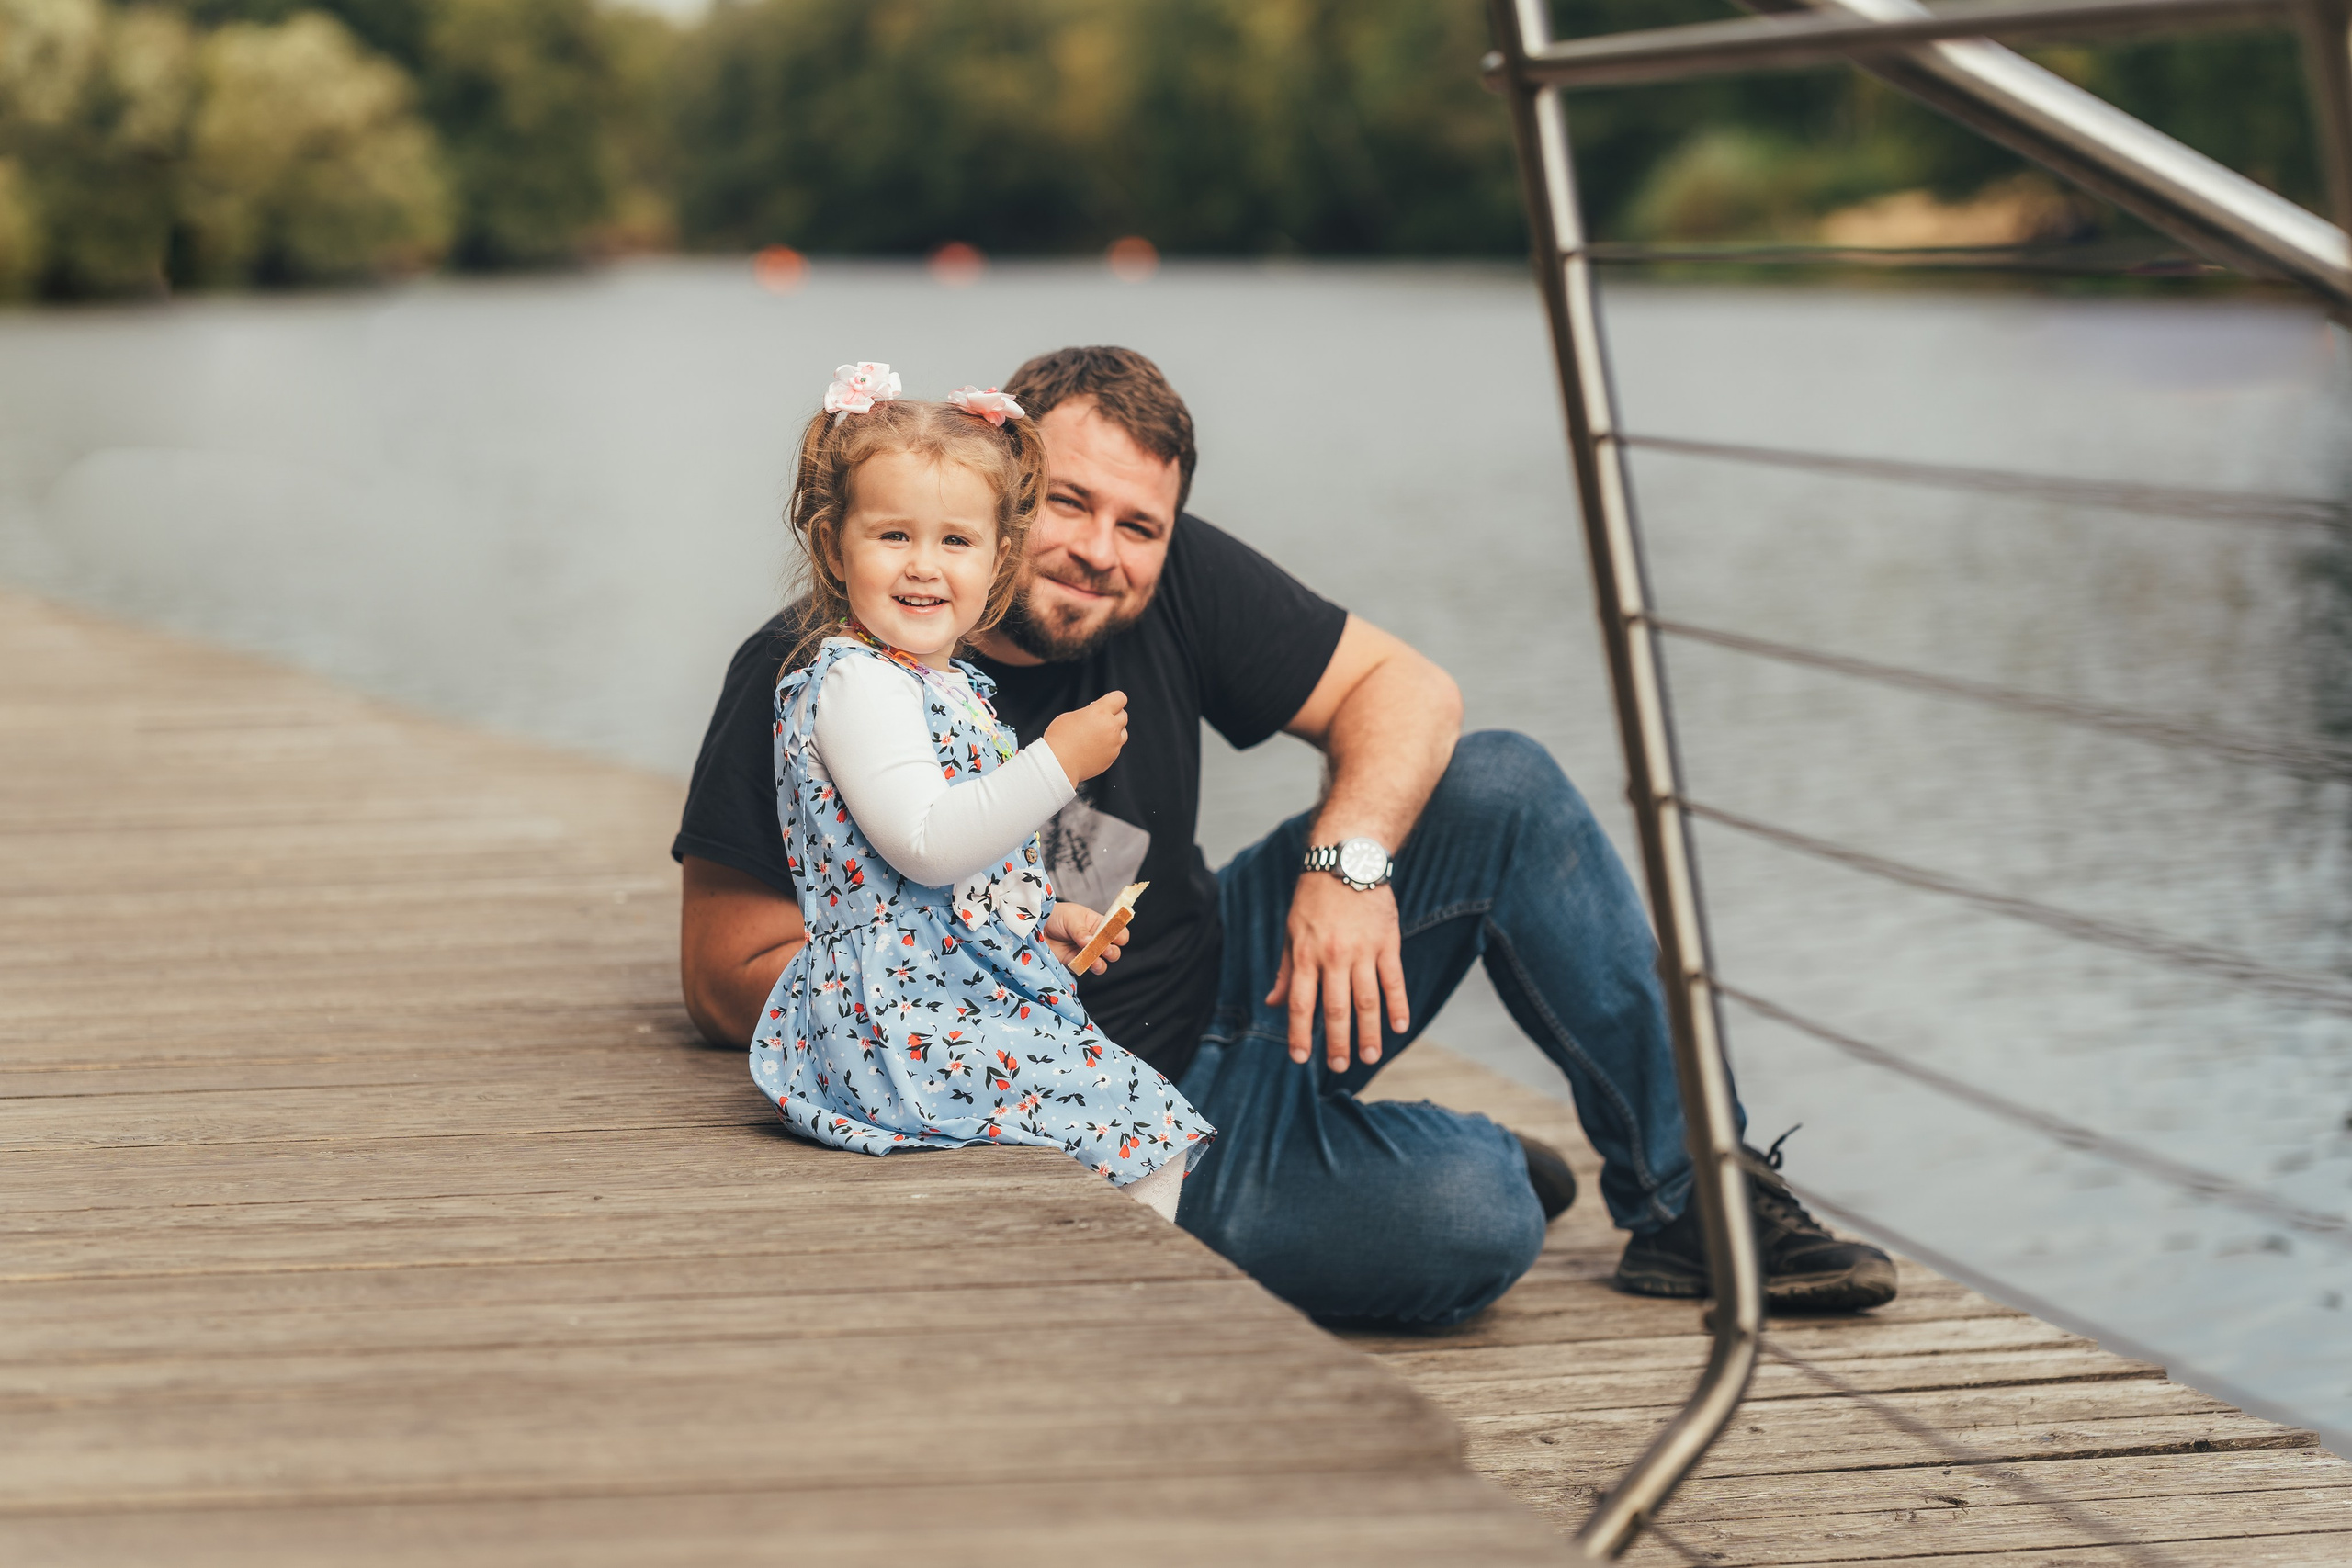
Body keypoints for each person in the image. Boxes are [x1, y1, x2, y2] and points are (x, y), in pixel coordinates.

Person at [678, 345, 1897, 1327]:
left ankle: (1696, 1198)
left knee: (1504, 784)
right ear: (999, 485)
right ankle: (1413, 1152)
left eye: (1140, 524)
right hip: (1073, 1118)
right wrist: (975, 992)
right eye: (1066, 502)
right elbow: (724, 969)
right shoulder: (829, 679)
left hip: (1233, 985)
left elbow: (1406, 689)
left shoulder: (1163, 583)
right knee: (1476, 1216)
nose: (1102, 550)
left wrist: (1346, 861)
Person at [748, 365, 1211, 1222]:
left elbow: (953, 874)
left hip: (936, 994)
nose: (924, 567)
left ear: (999, 558)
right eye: (893, 536)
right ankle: (1136, 1298)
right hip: (895, 1018)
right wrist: (1056, 763)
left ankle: (1110, 1285)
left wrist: (1039, 916)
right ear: (832, 546)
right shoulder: (859, 685)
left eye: (955, 542)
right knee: (1139, 1112)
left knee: (1125, 1105)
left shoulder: (939, 683)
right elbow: (925, 842)